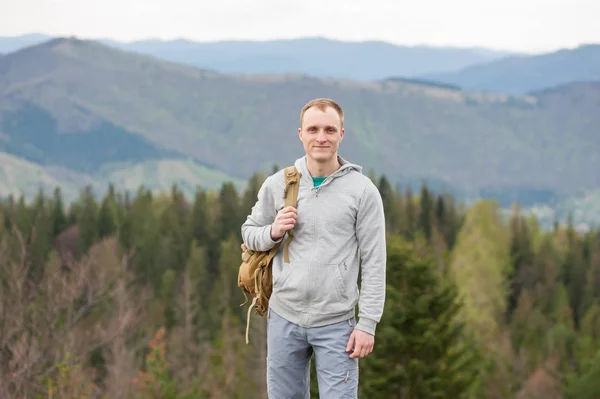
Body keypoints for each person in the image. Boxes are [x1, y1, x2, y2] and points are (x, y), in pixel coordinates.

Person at [241, 98, 387, 398]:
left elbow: (375, 261)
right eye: (314, 129)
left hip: (337, 323)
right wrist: (273, 231)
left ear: (341, 135)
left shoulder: (362, 191)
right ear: (301, 134)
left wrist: (368, 323)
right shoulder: (278, 184)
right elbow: (248, 233)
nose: (321, 137)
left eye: (330, 130)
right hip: (283, 316)